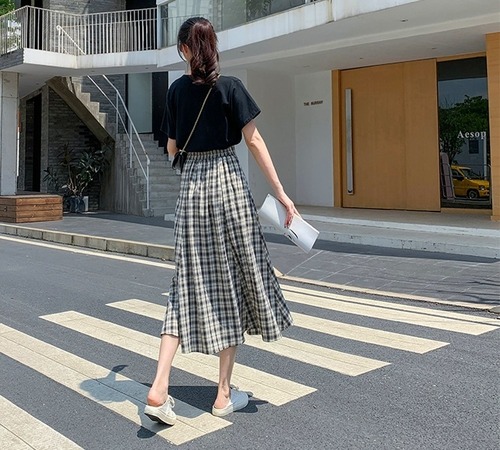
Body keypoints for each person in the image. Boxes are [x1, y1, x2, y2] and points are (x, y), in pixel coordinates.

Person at [144, 17, 297, 425]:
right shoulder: (230, 87)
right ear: (213, 47)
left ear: (184, 50)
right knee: (232, 278)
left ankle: (159, 387)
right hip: (227, 183)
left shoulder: (176, 91)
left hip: (193, 189)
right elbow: (254, 141)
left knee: (184, 282)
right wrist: (281, 193)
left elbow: (172, 149)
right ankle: (223, 395)